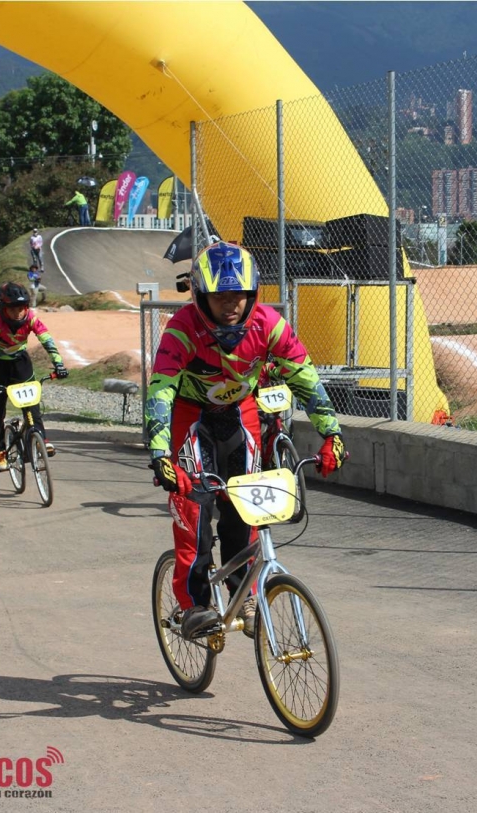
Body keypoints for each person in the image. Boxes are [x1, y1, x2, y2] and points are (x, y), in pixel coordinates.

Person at [145, 241, 346, 641]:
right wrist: (159, 452)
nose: (231, 305)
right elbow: (161, 390)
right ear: (201, 295)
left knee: (245, 509)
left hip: (241, 415)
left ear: (252, 294)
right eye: (220, 296)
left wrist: (331, 433)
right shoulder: (182, 328)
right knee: (195, 509)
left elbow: (305, 377)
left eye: (239, 295)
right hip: (190, 417)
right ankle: (193, 605)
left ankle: (246, 595)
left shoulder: (269, 324)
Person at [0, 282, 68, 472]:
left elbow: (46, 339)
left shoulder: (31, 319)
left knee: (32, 404)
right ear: (3, 308)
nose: (18, 313)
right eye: (13, 309)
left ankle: (40, 438)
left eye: (22, 308)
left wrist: (59, 364)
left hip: (20, 365)